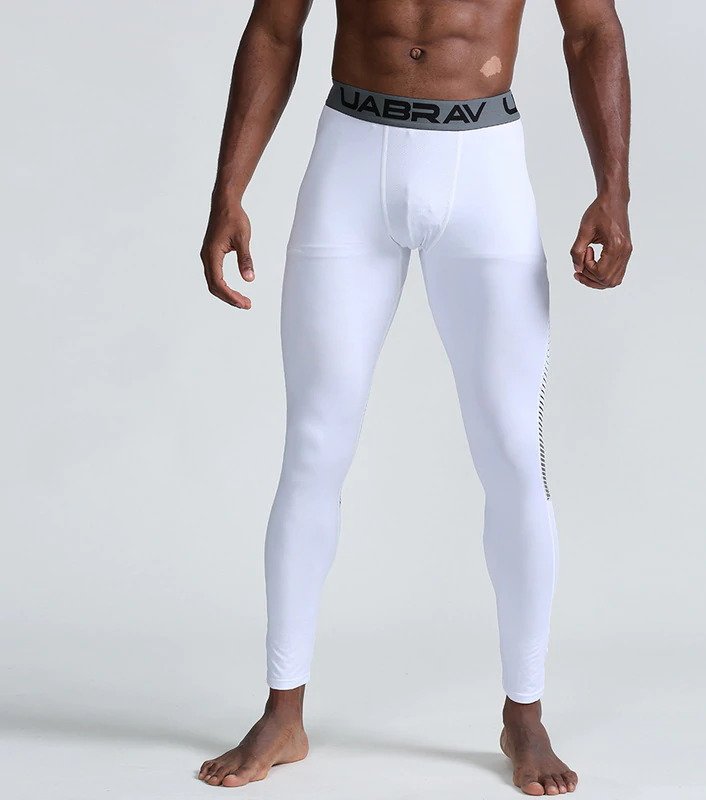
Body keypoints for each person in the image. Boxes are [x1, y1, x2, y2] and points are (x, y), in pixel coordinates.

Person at [198, 0, 632, 794]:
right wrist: (229, 189)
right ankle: (283, 710)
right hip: (350, 158)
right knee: (314, 446)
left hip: (484, 164)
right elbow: (274, 27)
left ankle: (524, 712)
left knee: (512, 453)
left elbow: (592, 30)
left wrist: (614, 191)